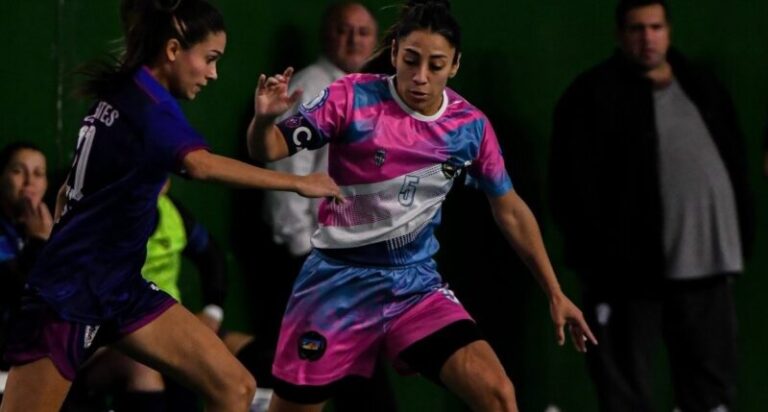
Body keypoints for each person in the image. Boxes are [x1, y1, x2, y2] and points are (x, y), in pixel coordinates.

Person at [248, 1, 596, 411]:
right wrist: (264, 121)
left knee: (498, 394)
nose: (420, 77)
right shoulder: (351, 97)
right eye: (411, 60)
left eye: (436, 65)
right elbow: (265, 148)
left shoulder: (470, 127)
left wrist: (554, 291)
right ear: (394, 52)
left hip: (414, 287)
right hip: (336, 284)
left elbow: (510, 209)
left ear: (455, 65)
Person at [0, 0, 341, 411]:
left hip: (121, 289)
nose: (214, 73)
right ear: (174, 50)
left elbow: (67, 191)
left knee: (234, 387)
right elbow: (200, 165)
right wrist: (299, 182)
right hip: (67, 297)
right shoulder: (151, 108)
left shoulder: (124, 92)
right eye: (210, 59)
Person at [549, 1, 753, 411]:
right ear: (620, 35)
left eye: (655, 27)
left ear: (669, 30)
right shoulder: (592, 94)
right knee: (625, 390)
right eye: (637, 28)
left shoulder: (702, 85)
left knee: (711, 392)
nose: (648, 38)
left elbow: (734, 163)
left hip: (707, 268)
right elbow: (569, 184)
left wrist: (738, 242)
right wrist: (599, 259)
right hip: (626, 276)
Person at [256, 3, 396, 411]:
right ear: (326, 34)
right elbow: (286, 174)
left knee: (356, 371)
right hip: (313, 260)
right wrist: (303, 254)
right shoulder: (312, 87)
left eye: (363, 32)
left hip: (354, 262)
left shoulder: (370, 90)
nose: (354, 39)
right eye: (343, 29)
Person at [0, 143, 53, 403]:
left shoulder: (49, 225)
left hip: (42, 354)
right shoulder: (37, 234)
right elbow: (18, 292)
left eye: (39, 173)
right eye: (19, 171)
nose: (29, 181)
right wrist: (39, 243)